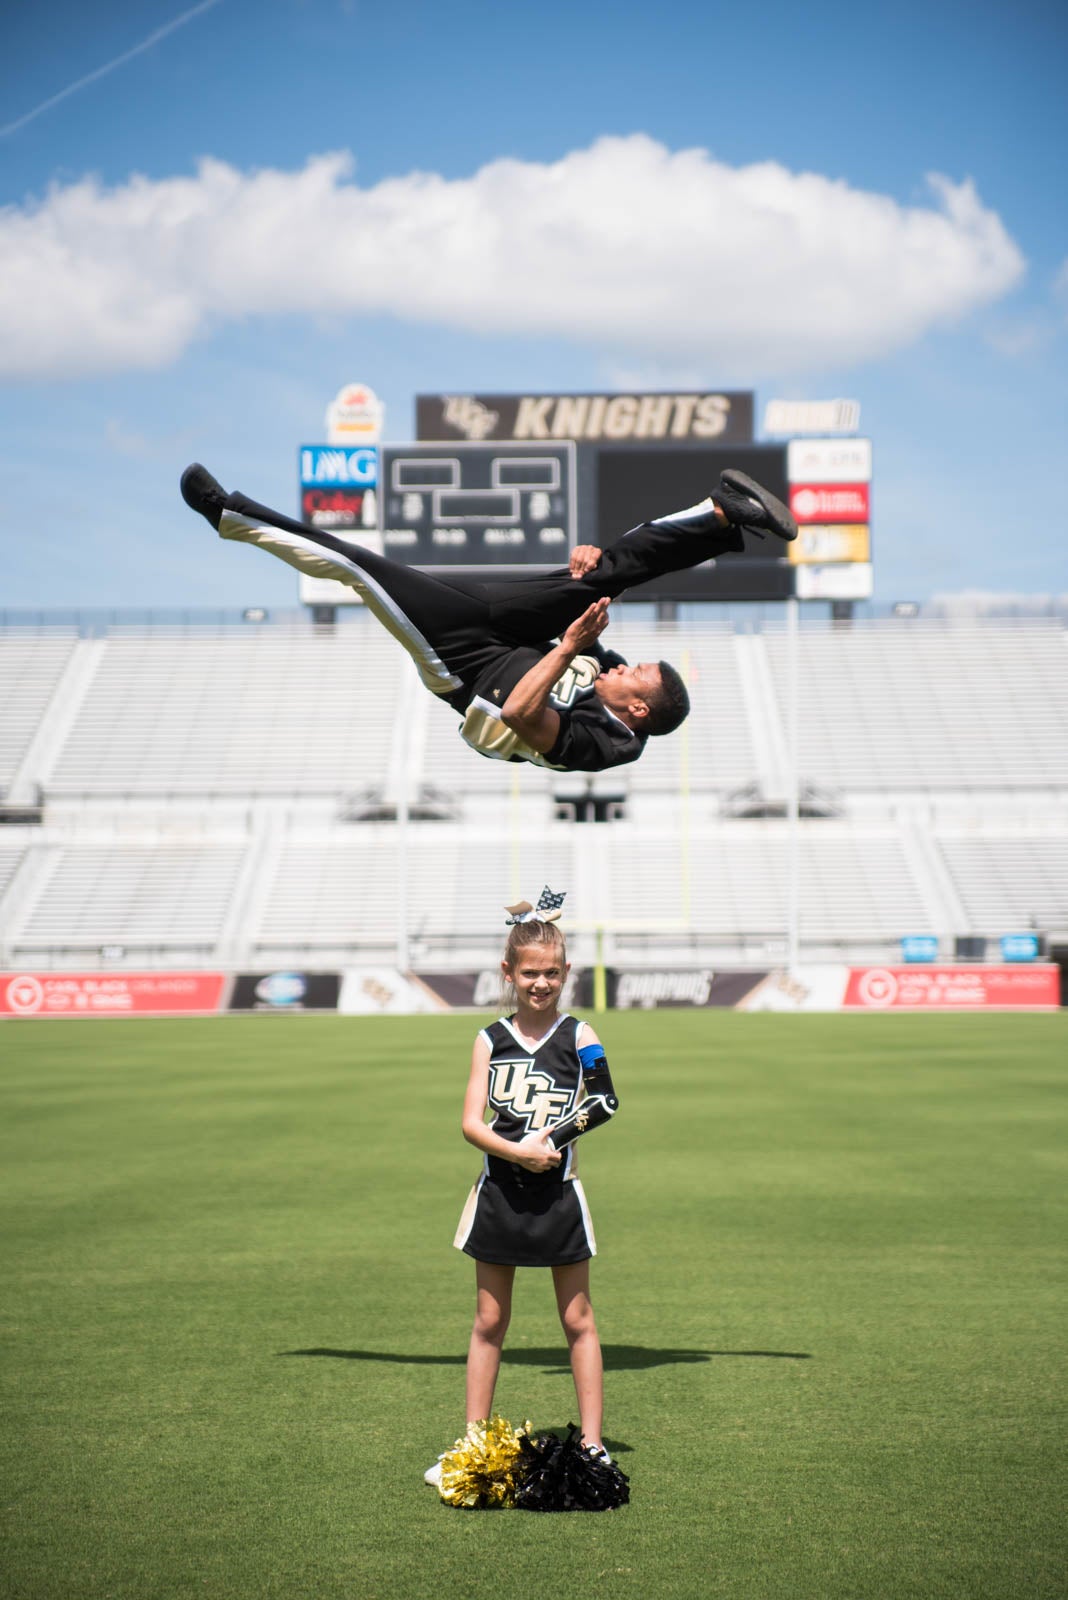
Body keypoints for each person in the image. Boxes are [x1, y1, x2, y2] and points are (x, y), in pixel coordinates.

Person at [181, 462, 796, 773]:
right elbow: (602, 597)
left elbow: (523, 715)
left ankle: (231, 516)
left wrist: (565, 648)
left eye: (637, 672)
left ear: (638, 708)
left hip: (469, 665)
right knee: (604, 572)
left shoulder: (612, 742)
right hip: (518, 635)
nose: (624, 664)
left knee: (361, 567)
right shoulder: (603, 672)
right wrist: (590, 565)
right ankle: (722, 515)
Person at [424, 893, 621, 1488]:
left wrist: (552, 1141)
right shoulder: (491, 1038)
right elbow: (471, 1123)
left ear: (567, 974)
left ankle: (592, 1445)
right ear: (508, 973)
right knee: (488, 1319)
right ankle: (474, 1441)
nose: (541, 983)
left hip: (559, 1198)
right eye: (530, 972)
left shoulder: (579, 1033)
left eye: (552, 973)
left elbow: (606, 1100)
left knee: (578, 1318)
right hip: (500, 1197)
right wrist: (519, 1152)